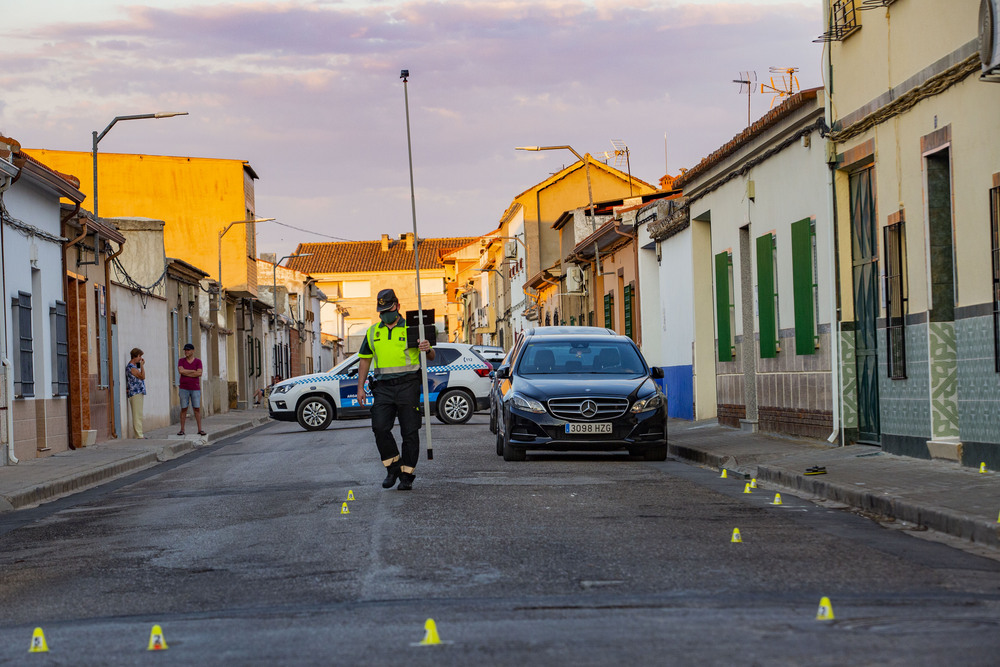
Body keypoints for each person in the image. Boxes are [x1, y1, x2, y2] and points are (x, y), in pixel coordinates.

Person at [356, 288, 434, 491]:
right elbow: (365, 360)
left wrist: (427, 348)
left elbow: (432, 355)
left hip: (408, 385)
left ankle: (407, 475)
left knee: (410, 431)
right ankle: (393, 467)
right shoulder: (373, 331)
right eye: (381, 311)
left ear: (397, 306)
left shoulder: (411, 327)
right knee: (379, 428)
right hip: (382, 387)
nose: (384, 315)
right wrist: (360, 387)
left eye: (388, 309)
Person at [177, 343, 206, 436]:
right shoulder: (181, 361)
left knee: (196, 408)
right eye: (185, 350)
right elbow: (181, 371)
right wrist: (193, 371)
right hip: (184, 388)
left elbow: (199, 373)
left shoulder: (198, 361)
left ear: (193, 351)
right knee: (183, 408)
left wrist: (187, 372)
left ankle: (200, 429)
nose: (186, 352)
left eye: (188, 350)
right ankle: (182, 429)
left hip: (195, 388)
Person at [125, 347, 146, 439]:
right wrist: (142, 365)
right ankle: (138, 435)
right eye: (140, 356)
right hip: (135, 392)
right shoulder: (131, 367)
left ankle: (139, 433)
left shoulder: (134, 366)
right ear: (135, 356)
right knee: (137, 414)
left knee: (139, 413)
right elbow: (142, 376)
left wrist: (140, 365)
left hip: (138, 391)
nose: (141, 358)